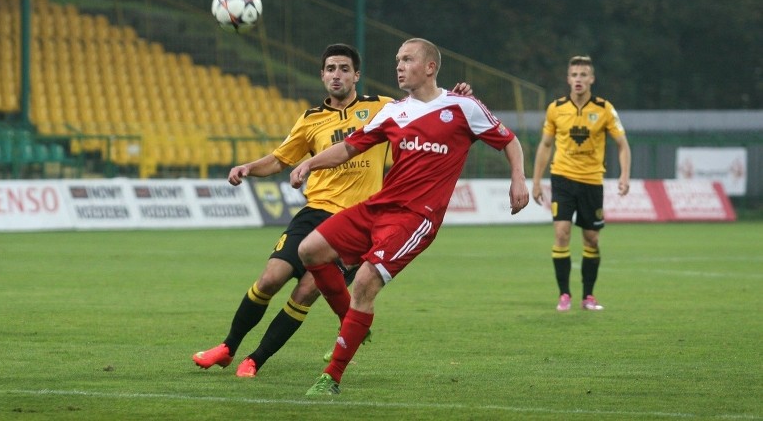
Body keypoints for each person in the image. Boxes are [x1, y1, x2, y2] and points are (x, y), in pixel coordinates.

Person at [192, 43, 473, 378]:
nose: (336, 75)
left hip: (358, 218)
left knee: (307, 290)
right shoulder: (310, 120)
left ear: (356, 75)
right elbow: (280, 159)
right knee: (269, 279)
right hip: (315, 212)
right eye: (329, 69)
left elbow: (426, 103)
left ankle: (255, 360)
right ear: (322, 75)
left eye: (343, 69)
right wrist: (249, 167)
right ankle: (227, 347)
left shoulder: (383, 107)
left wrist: (455, 95)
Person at [291, 38, 529, 396]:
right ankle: (354, 325)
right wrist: (310, 162)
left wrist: (518, 179)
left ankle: (332, 376)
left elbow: (508, 140)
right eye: (397, 60)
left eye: (407, 59)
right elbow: (349, 147)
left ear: (430, 67)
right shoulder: (393, 112)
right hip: (380, 206)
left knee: (364, 283)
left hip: (417, 217)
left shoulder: (463, 107)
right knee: (309, 251)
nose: (399, 66)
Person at [531, 55, 631, 312]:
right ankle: (564, 294)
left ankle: (589, 296)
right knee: (561, 233)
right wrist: (536, 180)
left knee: (592, 239)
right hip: (562, 178)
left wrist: (624, 175)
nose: (578, 79)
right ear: (568, 79)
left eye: (583, 75)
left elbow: (622, 145)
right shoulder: (556, 108)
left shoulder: (604, 109)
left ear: (591, 79)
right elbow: (545, 145)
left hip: (591, 181)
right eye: (574, 75)